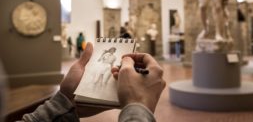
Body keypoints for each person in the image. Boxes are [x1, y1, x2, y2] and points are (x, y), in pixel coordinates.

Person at [0, 42, 165, 121]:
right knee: (100, 78)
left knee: (103, 78)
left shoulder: (113, 56)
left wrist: (64, 100)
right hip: (103, 68)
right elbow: (101, 58)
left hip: (106, 68)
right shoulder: (108, 54)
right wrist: (139, 106)